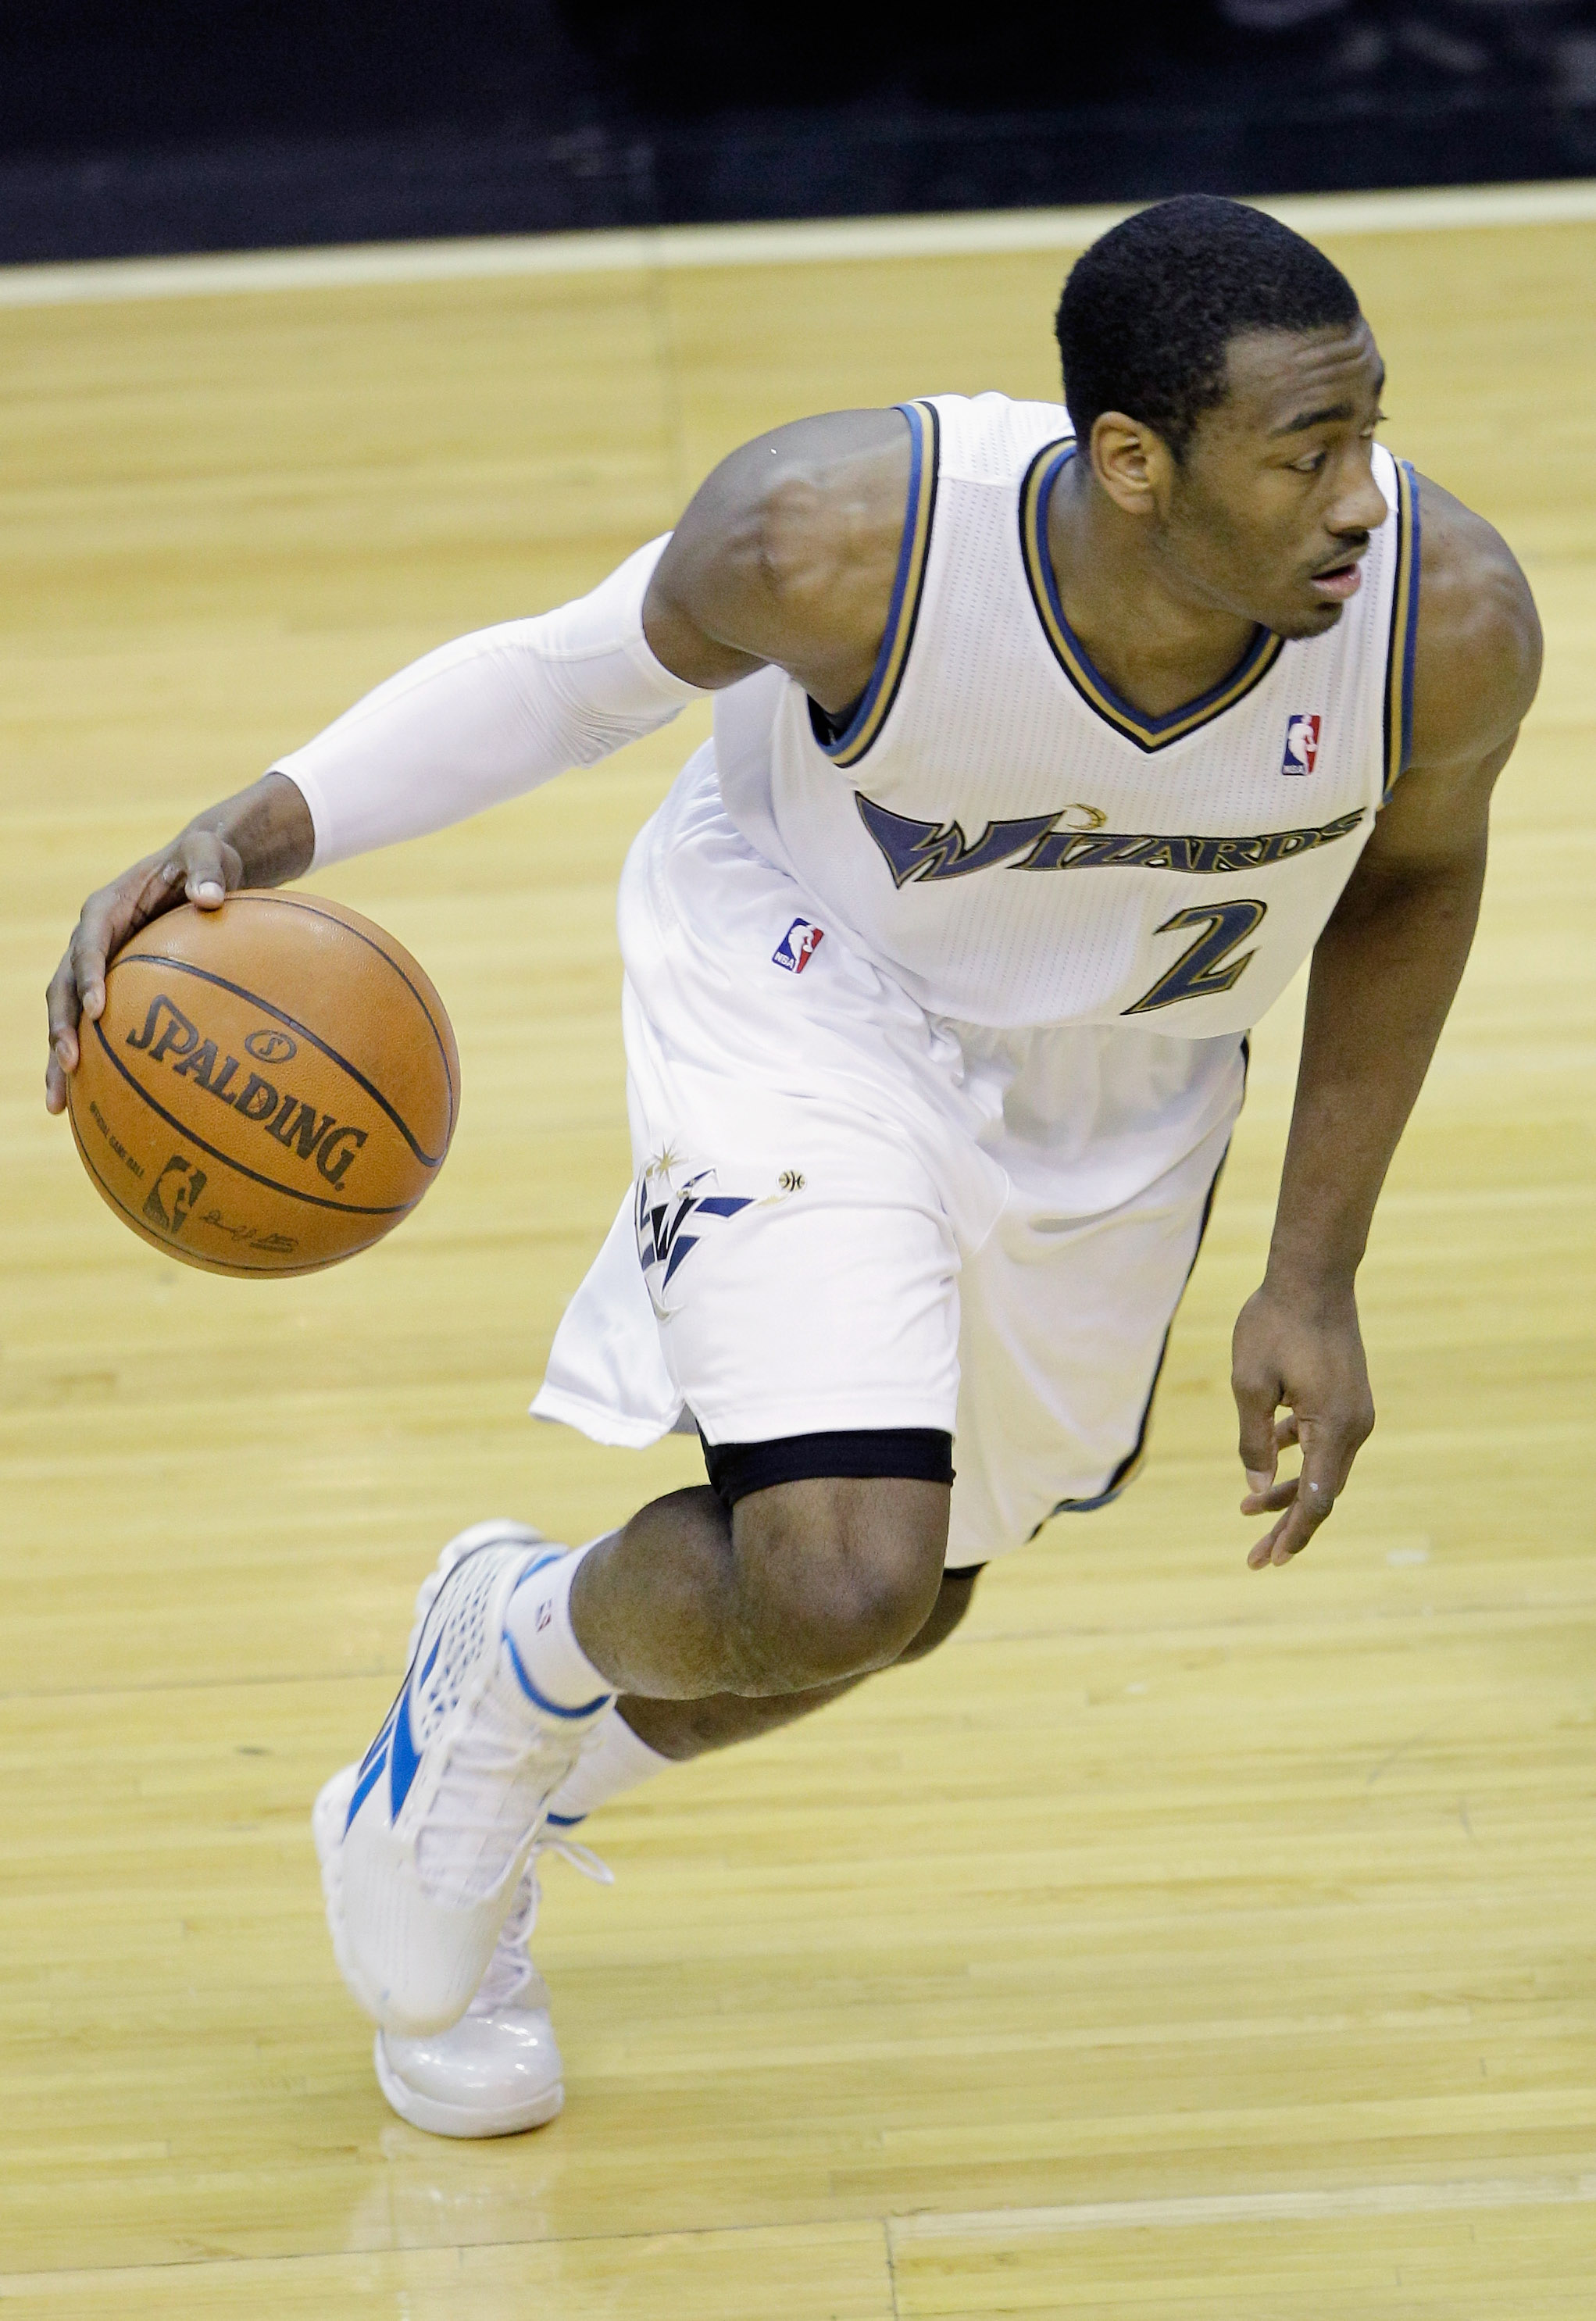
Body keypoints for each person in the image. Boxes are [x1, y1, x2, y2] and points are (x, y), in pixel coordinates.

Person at [45, 196, 1540, 2141]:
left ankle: (501, 1743)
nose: (1359, 499)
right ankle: (506, 1677)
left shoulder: (1442, 624)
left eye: (1369, 434)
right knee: (841, 1571)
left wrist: (1311, 1270)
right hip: (806, 989)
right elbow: (565, 678)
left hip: (1116, 1070)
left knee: (918, 1598)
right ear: (1129, 460)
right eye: (1302, 452)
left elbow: (1414, 881)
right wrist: (253, 829)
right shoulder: (840, 543)